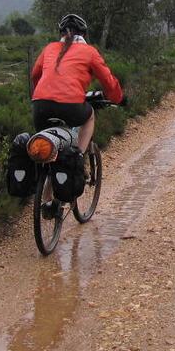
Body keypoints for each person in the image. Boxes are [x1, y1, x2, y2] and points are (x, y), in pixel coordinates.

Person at [30, 14, 124, 213]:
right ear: (84, 34)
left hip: (40, 105)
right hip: (71, 104)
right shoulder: (89, 51)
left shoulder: (49, 48)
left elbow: (35, 75)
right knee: (89, 116)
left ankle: (46, 199)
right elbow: (107, 80)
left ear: (61, 34)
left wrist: (42, 93)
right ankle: (78, 157)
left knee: (49, 152)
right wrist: (118, 98)